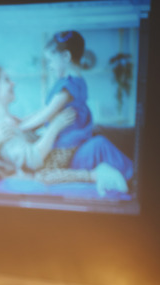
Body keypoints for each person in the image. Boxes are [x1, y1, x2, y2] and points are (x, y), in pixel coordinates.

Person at [0, 66, 127, 195]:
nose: (13, 83)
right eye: (6, 80)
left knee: (98, 143)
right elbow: (32, 161)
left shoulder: (12, 120)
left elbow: (38, 118)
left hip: (52, 164)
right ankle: (134, 184)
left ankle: (134, 182)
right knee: (99, 146)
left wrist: (53, 114)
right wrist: (55, 126)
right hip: (44, 173)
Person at [18, 30, 134, 187]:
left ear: (66, 57)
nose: (50, 66)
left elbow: (47, 113)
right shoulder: (74, 82)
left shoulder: (69, 86)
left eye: (51, 61)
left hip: (67, 144)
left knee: (42, 177)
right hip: (72, 141)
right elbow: (43, 110)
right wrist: (21, 121)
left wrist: (20, 128)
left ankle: (96, 175)